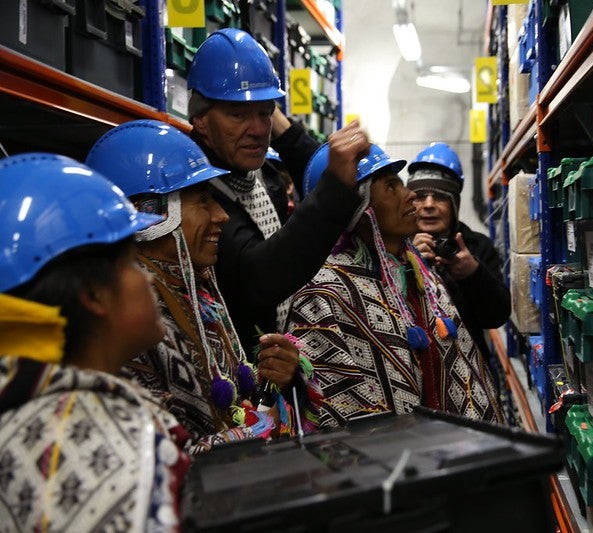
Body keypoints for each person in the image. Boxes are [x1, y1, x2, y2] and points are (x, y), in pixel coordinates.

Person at [85, 120, 321, 452]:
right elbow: (160, 454)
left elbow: (235, 407)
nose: (221, 216)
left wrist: (275, 382)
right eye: (202, 201)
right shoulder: (126, 319)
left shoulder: (199, 291)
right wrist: (260, 429)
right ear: (154, 214)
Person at [0, 153, 190, 531]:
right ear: (94, 294)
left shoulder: (23, 400)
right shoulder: (106, 451)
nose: (148, 280)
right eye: (133, 263)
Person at [284, 143, 503, 428]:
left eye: (401, 184)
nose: (411, 196)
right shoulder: (323, 296)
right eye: (391, 187)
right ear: (356, 210)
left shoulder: (416, 273)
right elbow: (340, 413)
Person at [186, 28, 369, 353]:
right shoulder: (194, 193)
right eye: (238, 114)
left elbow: (312, 172)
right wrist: (336, 185)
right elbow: (260, 276)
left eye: (265, 113)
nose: (257, 129)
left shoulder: (263, 176)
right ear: (200, 120)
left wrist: (284, 132)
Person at [406, 142, 512, 410]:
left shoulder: (476, 247)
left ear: (454, 203)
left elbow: (496, 316)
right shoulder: (393, 244)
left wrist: (472, 274)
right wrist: (407, 260)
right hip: (412, 382)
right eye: (420, 196)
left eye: (440, 197)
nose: (428, 205)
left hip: (469, 384)